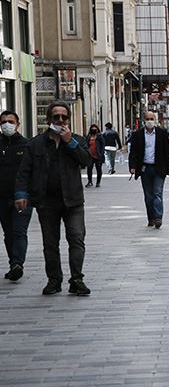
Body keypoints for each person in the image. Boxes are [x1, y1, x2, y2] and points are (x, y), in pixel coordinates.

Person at [15, 101, 91, 295]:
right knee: (50, 243)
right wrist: (21, 194)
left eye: (63, 117)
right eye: (55, 117)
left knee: (76, 239)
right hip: (46, 201)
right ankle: (54, 280)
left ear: (68, 119)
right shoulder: (35, 144)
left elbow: (86, 160)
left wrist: (69, 142)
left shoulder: (77, 140)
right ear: (48, 119)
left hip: (73, 200)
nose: (59, 120)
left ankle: (76, 279)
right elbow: (24, 171)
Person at [1, 110, 31, 282]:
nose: (7, 125)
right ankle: (13, 263)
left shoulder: (26, 145)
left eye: (10, 121)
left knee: (19, 231)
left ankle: (17, 264)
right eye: (4, 122)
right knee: (8, 233)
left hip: (23, 197)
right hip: (2, 198)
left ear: (18, 124)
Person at [129, 112, 169, 229]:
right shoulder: (137, 134)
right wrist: (132, 167)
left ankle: (158, 218)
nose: (149, 121)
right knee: (148, 196)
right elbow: (133, 152)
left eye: (152, 119)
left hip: (159, 168)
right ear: (144, 120)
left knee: (157, 193)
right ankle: (151, 218)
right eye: (147, 119)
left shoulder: (162, 133)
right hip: (145, 169)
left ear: (155, 120)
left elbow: (167, 151)